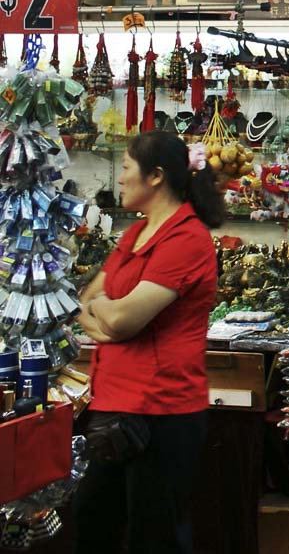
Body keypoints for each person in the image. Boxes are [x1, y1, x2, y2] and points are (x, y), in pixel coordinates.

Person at [74, 131, 225, 554]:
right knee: (92, 522)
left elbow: (120, 318)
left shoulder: (186, 239)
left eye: (125, 167)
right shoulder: (133, 235)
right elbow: (87, 302)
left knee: (154, 537)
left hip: (161, 412)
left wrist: (110, 314)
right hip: (113, 404)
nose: (119, 178)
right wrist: (110, 315)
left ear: (155, 176)